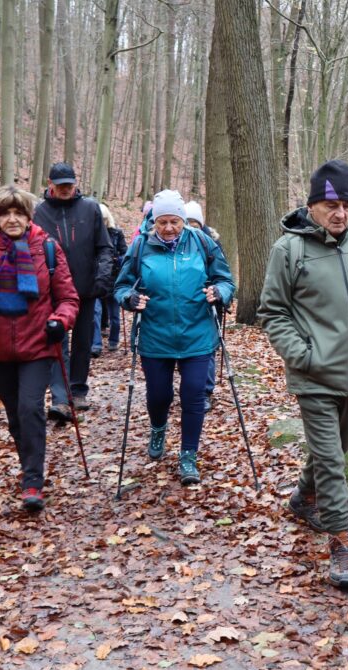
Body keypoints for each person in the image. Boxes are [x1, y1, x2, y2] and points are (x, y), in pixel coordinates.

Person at [257, 160, 348, 590]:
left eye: (347, 205)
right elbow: (272, 312)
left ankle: (301, 499)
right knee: (333, 460)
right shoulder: (289, 249)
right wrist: (304, 356)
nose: (340, 213)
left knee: (335, 449)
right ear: (313, 205)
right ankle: (340, 541)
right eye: (331, 205)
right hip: (314, 376)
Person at [0, 185, 79, 513]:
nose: (11, 219)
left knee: (30, 408)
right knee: (15, 415)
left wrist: (60, 321)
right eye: (5, 213)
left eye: (17, 213)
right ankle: (29, 464)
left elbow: (68, 297)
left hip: (37, 344)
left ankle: (32, 482)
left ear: (28, 216)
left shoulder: (48, 249)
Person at [115, 189, 235, 486]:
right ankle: (158, 428)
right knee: (159, 395)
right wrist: (130, 298)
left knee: (194, 394)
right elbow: (121, 286)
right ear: (154, 222)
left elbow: (226, 280)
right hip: (156, 336)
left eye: (175, 222)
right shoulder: (141, 246)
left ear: (183, 221)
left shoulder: (203, 243)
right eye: (162, 222)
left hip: (197, 334)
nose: (169, 228)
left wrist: (219, 292)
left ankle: (188, 455)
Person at [32, 162, 114, 420]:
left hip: (85, 288)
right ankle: (60, 397)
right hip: (51, 291)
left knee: (82, 342)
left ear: (75, 184)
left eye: (69, 184)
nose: (66, 189)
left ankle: (78, 390)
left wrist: (102, 276)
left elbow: (104, 247)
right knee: (57, 341)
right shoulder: (39, 212)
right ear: (50, 185)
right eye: (60, 185)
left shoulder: (90, 209)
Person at [183, 200, 227, 413]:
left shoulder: (212, 243)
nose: (191, 227)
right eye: (187, 222)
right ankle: (192, 388)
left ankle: (205, 391)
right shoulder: (179, 243)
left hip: (209, 303)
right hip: (186, 305)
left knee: (207, 349)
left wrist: (219, 293)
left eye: (195, 223)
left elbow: (223, 274)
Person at [92, 203, 128, 356]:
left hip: (114, 279)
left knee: (114, 315)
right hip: (96, 278)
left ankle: (113, 341)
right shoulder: (91, 234)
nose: (103, 223)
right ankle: (96, 344)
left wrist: (117, 259)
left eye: (105, 219)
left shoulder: (116, 233)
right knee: (95, 313)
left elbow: (125, 253)